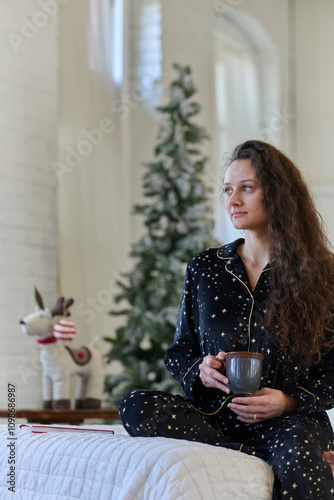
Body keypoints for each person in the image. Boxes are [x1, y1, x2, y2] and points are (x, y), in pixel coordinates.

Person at [119, 140, 334, 499]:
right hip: (215, 419)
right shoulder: (205, 268)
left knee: (296, 448)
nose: (232, 200)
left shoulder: (322, 274)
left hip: (289, 422)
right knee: (136, 405)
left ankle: (274, 454)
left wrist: (287, 401)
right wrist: (200, 370)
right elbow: (179, 351)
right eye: (227, 190)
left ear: (278, 195)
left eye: (246, 188)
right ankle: (255, 458)